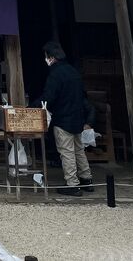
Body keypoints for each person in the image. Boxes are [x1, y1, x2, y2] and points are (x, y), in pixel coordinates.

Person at [38, 41, 95, 196]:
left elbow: (48, 97)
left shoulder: (55, 74)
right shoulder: (73, 71)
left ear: (51, 57)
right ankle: (86, 179)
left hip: (62, 118)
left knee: (67, 152)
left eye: (46, 56)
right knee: (79, 150)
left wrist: (33, 106)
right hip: (77, 117)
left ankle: (72, 183)